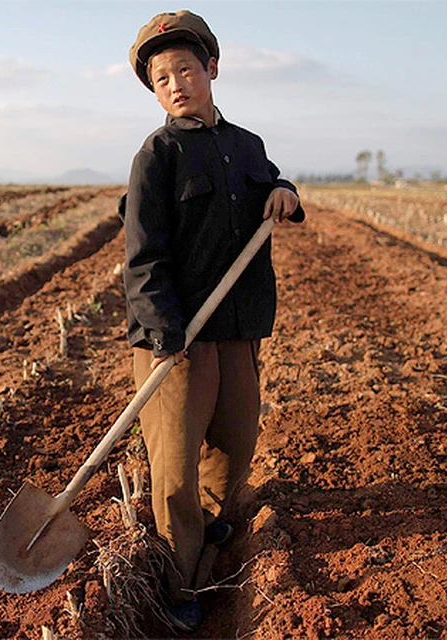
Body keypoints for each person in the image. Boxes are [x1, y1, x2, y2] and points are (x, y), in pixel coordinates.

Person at [120, 10, 305, 632]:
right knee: (173, 467)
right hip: (177, 338)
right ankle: (182, 581)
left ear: (212, 70)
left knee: (236, 441)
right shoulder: (157, 156)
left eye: (185, 70)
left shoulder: (247, 146)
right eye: (161, 77)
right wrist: (166, 335)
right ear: (154, 90)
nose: (175, 83)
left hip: (236, 328)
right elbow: (143, 258)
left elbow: (265, 188)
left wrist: (282, 190)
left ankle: (211, 520)